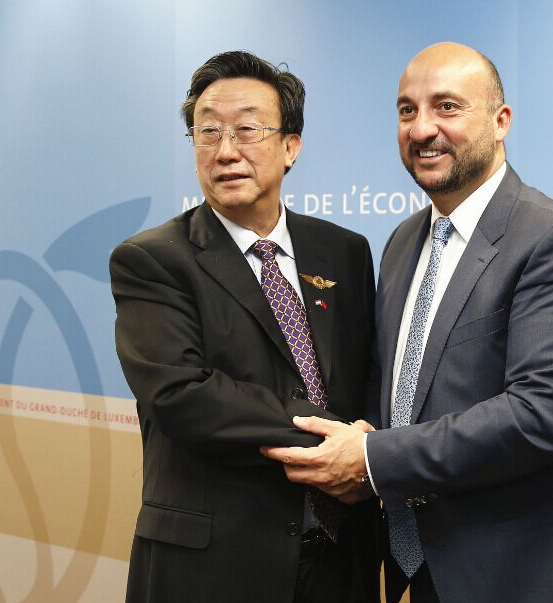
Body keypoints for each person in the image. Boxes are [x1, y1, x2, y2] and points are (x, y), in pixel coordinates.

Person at [263, 42, 553, 602]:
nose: (422, 129)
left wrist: (371, 459)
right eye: (407, 110)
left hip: (532, 572)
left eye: (447, 107)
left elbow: (540, 415)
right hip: (428, 569)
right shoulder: (402, 242)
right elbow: (393, 386)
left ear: (500, 121)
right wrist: (359, 440)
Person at [110, 50, 378, 603]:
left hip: (338, 561)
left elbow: (366, 375)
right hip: (215, 567)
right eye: (208, 132)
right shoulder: (154, 259)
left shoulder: (343, 251)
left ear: (290, 146)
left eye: (247, 130)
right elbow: (182, 394)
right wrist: (340, 442)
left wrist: (375, 456)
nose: (225, 151)